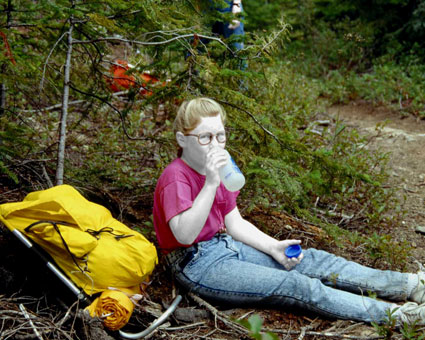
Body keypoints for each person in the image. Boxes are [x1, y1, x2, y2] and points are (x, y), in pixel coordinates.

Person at [153, 97, 425, 325]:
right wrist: (211, 183)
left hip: (225, 245)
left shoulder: (217, 169)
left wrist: (273, 247)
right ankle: (398, 316)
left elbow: (234, 222)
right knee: (297, 285)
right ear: (182, 139)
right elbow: (185, 235)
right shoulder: (176, 177)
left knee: (312, 260)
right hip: (196, 263)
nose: (216, 144)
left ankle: (410, 285)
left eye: (220, 135)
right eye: (205, 137)